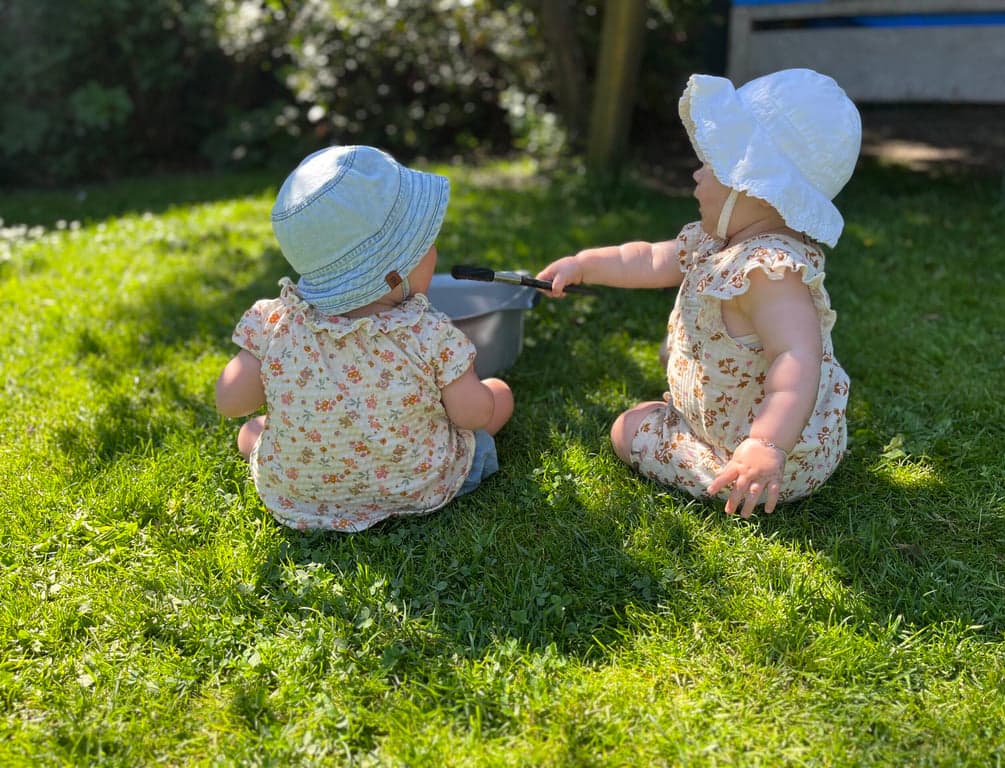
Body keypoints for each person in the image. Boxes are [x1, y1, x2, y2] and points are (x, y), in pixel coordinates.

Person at [538, 68, 860, 518]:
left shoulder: (769, 271)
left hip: (763, 461)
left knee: (627, 429)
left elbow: (797, 357)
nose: (695, 173)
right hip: (749, 429)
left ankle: (730, 459)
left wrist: (766, 444)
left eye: (709, 165)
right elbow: (649, 258)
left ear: (751, 184)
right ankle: (704, 425)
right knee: (673, 353)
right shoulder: (716, 242)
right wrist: (585, 265)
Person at [215, 145, 514, 531]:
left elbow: (231, 401)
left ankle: (319, 471)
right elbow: (473, 414)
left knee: (250, 431)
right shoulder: (429, 334)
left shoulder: (276, 323)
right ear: (395, 273)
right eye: (426, 246)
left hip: (303, 493)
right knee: (500, 394)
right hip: (419, 484)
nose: (435, 251)